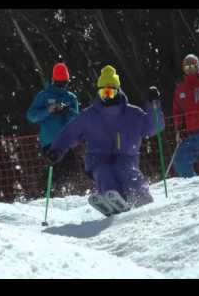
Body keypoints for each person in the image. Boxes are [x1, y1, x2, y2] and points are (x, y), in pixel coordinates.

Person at [45, 65, 164, 215]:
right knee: (103, 172)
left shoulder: (133, 114)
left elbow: (154, 127)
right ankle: (112, 198)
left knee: (126, 172)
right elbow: (70, 132)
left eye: (110, 91)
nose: (106, 96)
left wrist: (154, 106)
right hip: (97, 157)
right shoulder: (89, 116)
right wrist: (56, 149)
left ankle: (142, 200)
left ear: (118, 91)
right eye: (102, 92)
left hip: (126, 156)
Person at [26, 63, 80, 196]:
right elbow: (31, 116)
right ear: (53, 81)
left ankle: (63, 193)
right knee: (56, 167)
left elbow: (77, 119)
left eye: (64, 83)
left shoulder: (71, 97)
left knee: (71, 168)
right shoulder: (43, 96)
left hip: (67, 141)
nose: (62, 85)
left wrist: (67, 111)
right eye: (59, 83)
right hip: (49, 141)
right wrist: (48, 110)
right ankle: (45, 193)